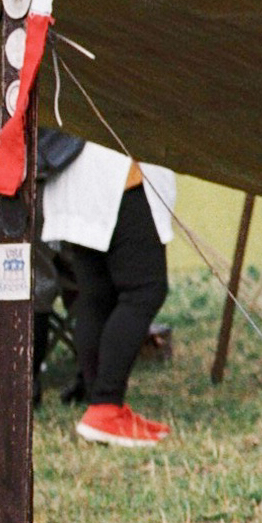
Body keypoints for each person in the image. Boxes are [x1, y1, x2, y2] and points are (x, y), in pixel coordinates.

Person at [43, 137, 176, 449]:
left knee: (97, 294)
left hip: (74, 168)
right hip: (116, 170)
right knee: (144, 289)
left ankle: (99, 407)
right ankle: (105, 406)